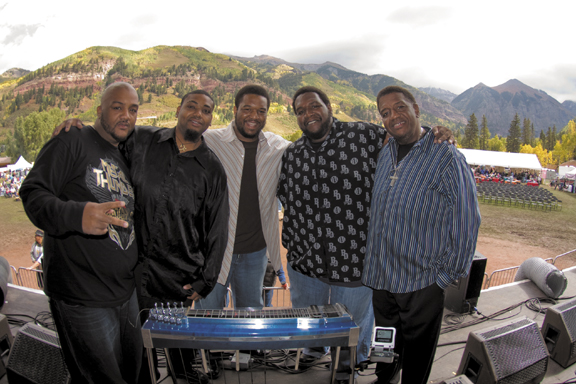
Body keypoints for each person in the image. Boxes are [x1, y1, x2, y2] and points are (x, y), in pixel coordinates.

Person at [278, 86, 454, 384]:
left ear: (328, 106)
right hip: (306, 264)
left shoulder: (364, 135)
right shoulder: (292, 154)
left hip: (356, 261)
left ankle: (349, 367)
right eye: (300, 111)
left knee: (353, 328)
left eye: (314, 106)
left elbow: (403, 133)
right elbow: (286, 199)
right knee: (312, 320)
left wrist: (433, 132)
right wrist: (293, 249)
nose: (308, 114)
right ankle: (312, 349)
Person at [19, 82, 143, 383]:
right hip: (82, 297)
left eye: (133, 109)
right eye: (117, 107)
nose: (126, 115)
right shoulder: (71, 140)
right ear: (99, 110)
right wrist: (78, 215)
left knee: (135, 374)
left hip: (125, 294)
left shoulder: (125, 151)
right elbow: (33, 193)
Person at [362, 85, 481, 384]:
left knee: (418, 349)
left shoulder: (447, 157)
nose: (393, 116)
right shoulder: (385, 153)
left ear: (415, 109)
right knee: (385, 339)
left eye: (400, 107)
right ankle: (384, 374)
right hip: (381, 275)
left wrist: (442, 279)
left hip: (421, 280)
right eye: (385, 113)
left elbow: (467, 220)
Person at [195, 84, 290, 310]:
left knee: (251, 320)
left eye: (261, 111)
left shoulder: (277, 147)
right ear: (235, 109)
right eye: (247, 109)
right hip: (212, 252)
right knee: (207, 316)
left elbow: (309, 149)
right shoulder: (210, 141)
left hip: (254, 254)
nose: (254, 116)